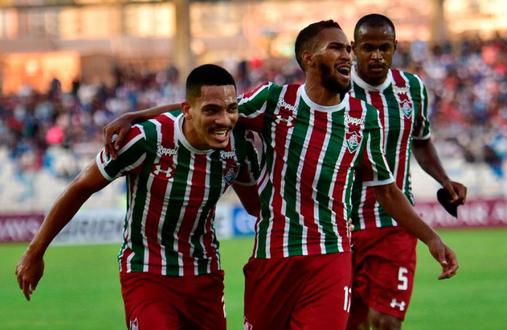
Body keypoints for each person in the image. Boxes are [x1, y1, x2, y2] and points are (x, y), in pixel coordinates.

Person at [103, 20, 458, 330]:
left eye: (348, 48)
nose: (348, 56)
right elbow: (212, 110)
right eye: (337, 48)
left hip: (330, 256)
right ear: (309, 58)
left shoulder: (361, 118)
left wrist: (431, 238)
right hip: (272, 257)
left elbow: (387, 190)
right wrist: (139, 115)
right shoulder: (275, 100)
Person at [15, 64, 261, 330]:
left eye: (231, 109)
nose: (224, 120)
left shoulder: (238, 145)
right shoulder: (143, 139)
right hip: (148, 274)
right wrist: (35, 251)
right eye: (211, 110)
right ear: (187, 110)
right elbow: (81, 187)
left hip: (205, 277)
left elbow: (255, 206)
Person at [347, 14, 467, 330]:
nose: (376, 55)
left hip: (395, 222)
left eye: (384, 47)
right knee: (350, 322)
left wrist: (444, 179)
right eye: (367, 47)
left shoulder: (411, 89)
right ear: (353, 49)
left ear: (395, 47)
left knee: (386, 321)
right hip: (341, 225)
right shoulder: (337, 91)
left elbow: (422, 142)